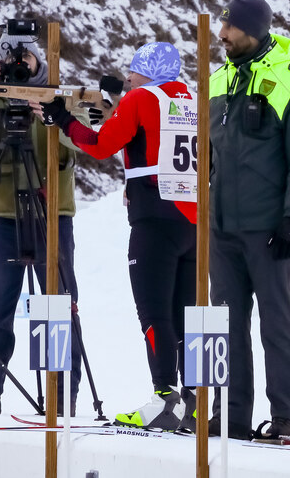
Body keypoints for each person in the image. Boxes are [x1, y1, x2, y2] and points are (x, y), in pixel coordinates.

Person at [37, 42, 198, 431]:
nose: (128, 78)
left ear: (149, 73)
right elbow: (152, 139)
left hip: (153, 218)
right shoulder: (192, 98)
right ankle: (193, 402)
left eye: (134, 70)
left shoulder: (140, 98)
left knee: (155, 314)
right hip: (193, 219)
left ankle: (164, 398)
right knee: (187, 316)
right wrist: (114, 111)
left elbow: (99, 144)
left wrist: (62, 118)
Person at [207, 0, 290, 439]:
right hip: (223, 229)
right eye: (222, 25)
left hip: (269, 228)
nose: (222, 34)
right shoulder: (217, 81)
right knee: (226, 324)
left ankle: (287, 416)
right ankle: (231, 415)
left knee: (277, 322)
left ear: (253, 31)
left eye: (230, 27)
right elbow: (209, 154)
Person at [0, 31, 83, 415]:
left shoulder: (58, 92)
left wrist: (53, 111)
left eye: (24, 58)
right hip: (6, 215)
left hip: (53, 213)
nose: (19, 64)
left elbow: (83, 138)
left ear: (38, 58)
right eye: (11, 58)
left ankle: (63, 394)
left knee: (58, 305)